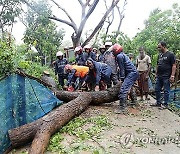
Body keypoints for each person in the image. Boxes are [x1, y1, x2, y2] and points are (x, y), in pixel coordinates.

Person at [111, 44, 139, 114]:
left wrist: (122, 78)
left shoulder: (119, 56)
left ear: (116, 51)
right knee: (129, 87)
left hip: (131, 73)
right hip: (133, 73)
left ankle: (123, 108)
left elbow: (122, 69)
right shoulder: (123, 55)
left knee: (123, 89)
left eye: (113, 51)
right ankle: (135, 102)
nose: (112, 53)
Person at [153, 41, 176, 109]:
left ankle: (165, 104)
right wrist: (156, 74)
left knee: (166, 90)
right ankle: (158, 102)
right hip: (159, 76)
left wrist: (172, 75)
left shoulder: (170, 54)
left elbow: (174, 65)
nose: (158, 48)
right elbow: (158, 65)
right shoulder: (159, 55)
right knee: (157, 89)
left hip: (166, 76)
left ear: (164, 46)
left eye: (159, 47)